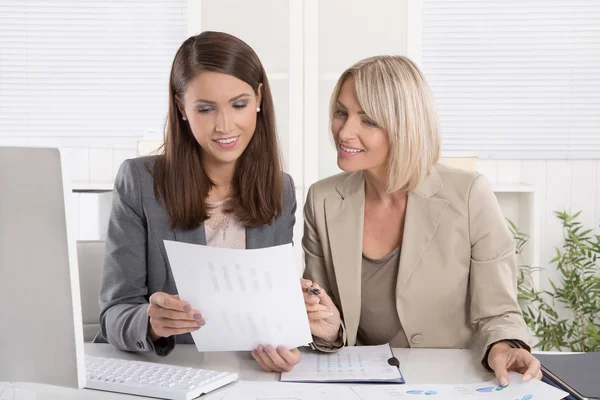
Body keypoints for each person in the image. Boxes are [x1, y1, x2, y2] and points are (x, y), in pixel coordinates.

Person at [292, 55, 540, 386]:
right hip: (361, 383)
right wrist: (327, 326)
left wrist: (504, 346)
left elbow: (499, 311)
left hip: (451, 379)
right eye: (341, 113)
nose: (344, 131)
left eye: (368, 120)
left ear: (404, 126)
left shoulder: (468, 195)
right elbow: (327, 318)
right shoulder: (322, 199)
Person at [97, 31, 300, 369]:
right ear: (181, 107)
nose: (224, 125)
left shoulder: (280, 189)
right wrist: (150, 323)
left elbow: (273, 311)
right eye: (206, 109)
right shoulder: (140, 182)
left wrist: (284, 343)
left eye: (239, 105)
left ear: (259, 98)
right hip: (168, 371)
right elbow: (113, 313)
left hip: (247, 375)